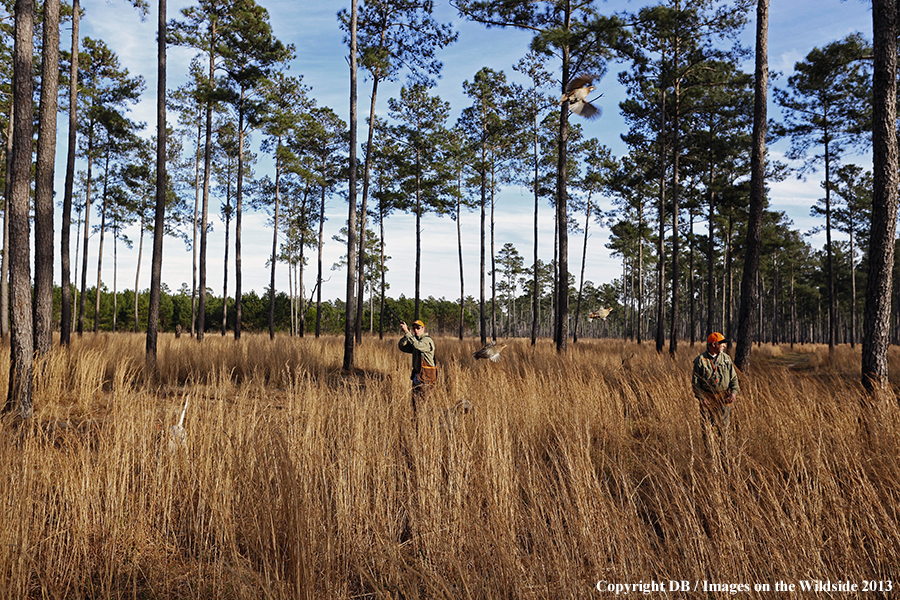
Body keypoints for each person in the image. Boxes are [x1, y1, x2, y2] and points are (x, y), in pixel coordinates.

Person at [692, 332, 740, 436]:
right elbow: (696, 383)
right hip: (708, 399)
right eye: (722, 343)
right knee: (707, 429)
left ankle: (723, 451)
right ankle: (709, 451)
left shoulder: (726, 358)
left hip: (723, 398)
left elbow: (734, 378)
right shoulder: (700, 360)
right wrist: (701, 398)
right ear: (714, 344)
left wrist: (733, 392)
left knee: (724, 429)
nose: (724, 345)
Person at [399, 319, 436, 413]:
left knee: (423, 405)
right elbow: (402, 347)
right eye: (414, 328)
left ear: (423, 329)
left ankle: (425, 425)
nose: (416, 330)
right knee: (415, 404)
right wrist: (406, 336)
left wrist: (408, 333)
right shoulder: (416, 340)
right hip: (417, 376)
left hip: (426, 378)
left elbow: (417, 345)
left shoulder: (426, 340)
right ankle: (417, 425)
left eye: (418, 328)